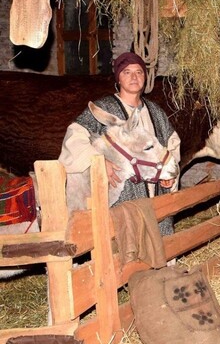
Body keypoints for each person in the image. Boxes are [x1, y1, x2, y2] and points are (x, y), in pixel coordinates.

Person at [59, 52, 181, 235]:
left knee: (160, 249)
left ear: (145, 77)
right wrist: (98, 162)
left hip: (156, 198)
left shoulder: (156, 112)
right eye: (127, 72)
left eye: (139, 72)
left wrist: (170, 174)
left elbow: (172, 145)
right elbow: (73, 138)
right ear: (118, 79)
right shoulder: (104, 109)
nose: (134, 77)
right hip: (120, 201)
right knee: (124, 252)